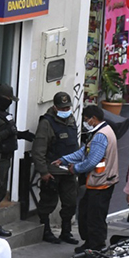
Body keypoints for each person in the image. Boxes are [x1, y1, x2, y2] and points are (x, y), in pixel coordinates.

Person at [56, 105, 120, 253]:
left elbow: (91, 161)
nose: (85, 122)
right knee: (87, 214)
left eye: (86, 120)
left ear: (94, 119)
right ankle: (90, 243)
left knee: (94, 217)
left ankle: (96, 247)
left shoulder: (100, 136)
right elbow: (83, 152)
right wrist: (64, 160)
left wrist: (75, 168)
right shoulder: (101, 132)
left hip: (100, 182)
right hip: (101, 181)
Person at [0, 84, 33, 237]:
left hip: (5, 159)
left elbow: (9, 132)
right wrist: (7, 132)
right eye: (8, 99)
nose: (10, 102)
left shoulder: (2, 113)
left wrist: (21, 135)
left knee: (0, 192)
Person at [31, 91, 79, 245]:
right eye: (62, 108)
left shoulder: (71, 120)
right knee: (48, 202)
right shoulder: (47, 123)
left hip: (69, 171)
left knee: (70, 203)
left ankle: (66, 232)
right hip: (52, 172)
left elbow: (75, 145)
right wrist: (43, 172)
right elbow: (38, 150)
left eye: (67, 108)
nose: (66, 111)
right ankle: (45, 230)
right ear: (55, 107)